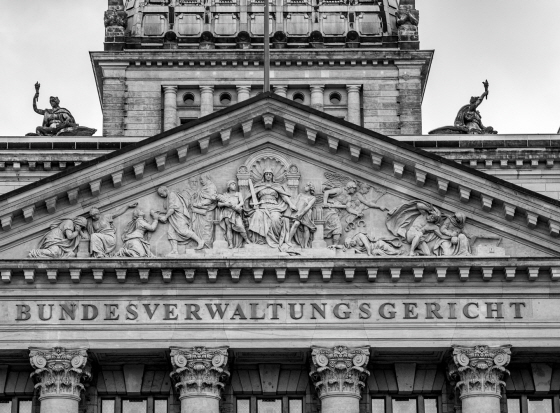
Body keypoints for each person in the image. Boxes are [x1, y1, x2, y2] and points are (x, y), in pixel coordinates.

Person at [244, 169, 298, 248]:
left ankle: (275, 239)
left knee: (275, 219)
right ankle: (260, 240)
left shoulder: (276, 186)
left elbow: (284, 196)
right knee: (257, 215)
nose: (268, 176)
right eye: (266, 174)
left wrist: (291, 204)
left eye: (270, 174)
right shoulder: (259, 186)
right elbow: (252, 197)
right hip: (262, 207)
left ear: (272, 176)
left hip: (275, 207)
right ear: (264, 176)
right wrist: (253, 205)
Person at [156, 186, 205, 254]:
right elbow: (171, 209)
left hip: (179, 217)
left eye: (161, 194)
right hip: (173, 218)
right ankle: (175, 250)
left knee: (183, 231)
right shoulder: (171, 195)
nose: (161, 196)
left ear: (165, 190)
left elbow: (172, 209)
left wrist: (165, 217)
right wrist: (161, 212)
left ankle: (200, 241)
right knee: (171, 232)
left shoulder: (171, 194)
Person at [217, 181, 251, 248]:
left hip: (235, 212)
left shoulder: (238, 194)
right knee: (229, 228)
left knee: (240, 226)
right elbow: (219, 204)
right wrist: (225, 204)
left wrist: (238, 206)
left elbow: (242, 202)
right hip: (227, 212)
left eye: (235, 184)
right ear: (228, 186)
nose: (234, 185)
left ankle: (246, 239)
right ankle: (230, 244)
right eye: (232, 184)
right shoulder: (225, 195)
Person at [190, 174, 218, 248]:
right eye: (200, 179)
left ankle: (207, 246)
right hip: (200, 212)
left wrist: (199, 204)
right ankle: (201, 243)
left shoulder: (211, 187)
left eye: (202, 179)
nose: (200, 181)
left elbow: (211, 199)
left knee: (206, 229)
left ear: (207, 178)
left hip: (207, 212)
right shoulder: (204, 187)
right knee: (201, 229)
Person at [286, 182, 317, 249]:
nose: (304, 187)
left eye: (306, 186)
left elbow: (308, 206)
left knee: (306, 228)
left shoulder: (313, 198)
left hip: (306, 213)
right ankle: (289, 241)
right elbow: (295, 203)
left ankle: (305, 245)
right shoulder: (300, 195)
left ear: (310, 188)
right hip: (299, 212)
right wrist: (294, 210)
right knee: (296, 224)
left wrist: (302, 214)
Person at [331, 232, 404, 256]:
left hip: (378, 245)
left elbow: (367, 245)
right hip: (373, 250)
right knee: (386, 255)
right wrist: (334, 246)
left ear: (352, 239)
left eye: (351, 243)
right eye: (351, 245)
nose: (353, 245)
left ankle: (400, 252)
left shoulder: (359, 235)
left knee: (394, 252)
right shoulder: (352, 246)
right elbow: (343, 247)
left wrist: (369, 254)